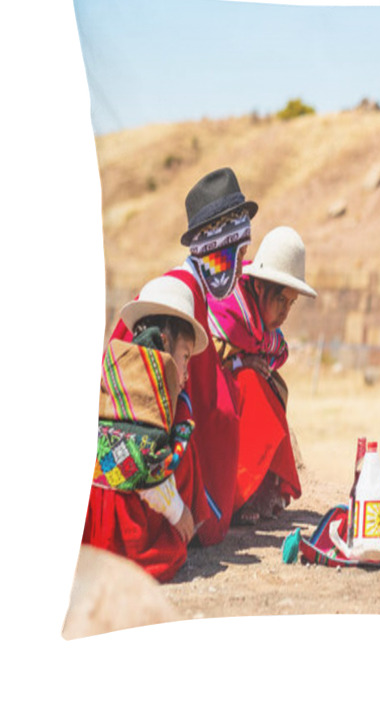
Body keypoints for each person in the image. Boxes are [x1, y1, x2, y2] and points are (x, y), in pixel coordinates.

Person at [108, 166, 258, 546]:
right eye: (238, 254)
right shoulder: (182, 293)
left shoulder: (192, 288)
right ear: (221, 250)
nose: (241, 265)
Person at [83, 275, 212, 581]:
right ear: (164, 342)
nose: (184, 374)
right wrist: (177, 511)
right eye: (184, 358)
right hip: (121, 534)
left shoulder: (119, 367)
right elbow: (139, 465)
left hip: (92, 524)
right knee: (184, 445)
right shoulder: (145, 379)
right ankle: (171, 535)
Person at [207, 226, 317, 522]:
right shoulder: (228, 314)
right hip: (209, 405)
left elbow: (276, 350)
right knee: (252, 384)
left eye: (291, 304)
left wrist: (247, 361)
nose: (285, 312)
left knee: (266, 384)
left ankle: (260, 490)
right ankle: (237, 495)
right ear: (259, 288)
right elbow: (204, 367)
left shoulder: (261, 331)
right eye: (281, 300)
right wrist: (241, 365)